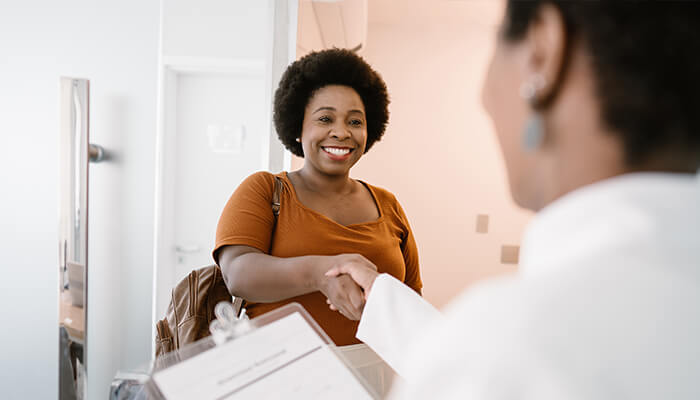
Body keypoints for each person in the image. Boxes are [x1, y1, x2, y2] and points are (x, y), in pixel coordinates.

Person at [325, 1, 700, 398]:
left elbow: (503, 364)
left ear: (542, 51)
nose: (485, 98)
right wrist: (383, 305)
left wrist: (461, 355)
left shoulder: (502, 354)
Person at [212, 48, 423, 349]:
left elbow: (411, 296)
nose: (341, 132)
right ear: (298, 127)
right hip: (283, 379)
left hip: (375, 384)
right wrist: (321, 274)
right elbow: (237, 274)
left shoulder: (388, 206)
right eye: (325, 119)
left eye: (354, 122)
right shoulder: (265, 190)